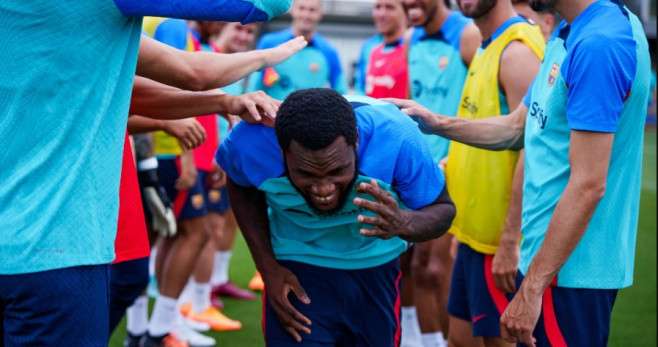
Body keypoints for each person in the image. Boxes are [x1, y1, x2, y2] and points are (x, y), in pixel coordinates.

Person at [0, 1, 294, 345]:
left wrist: (223, 102)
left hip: (32, 243)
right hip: (52, 248)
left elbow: (160, 81)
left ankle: (149, 330)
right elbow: (259, 5)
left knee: (141, 267)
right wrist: (269, 53)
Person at [387, 0, 651, 344]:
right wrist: (437, 123)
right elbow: (518, 128)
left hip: (569, 274)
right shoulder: (569, 30)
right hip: (547, 261)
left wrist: (531, 289)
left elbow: (588, 184)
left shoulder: (600, 44)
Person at [216, 88, 456, 346]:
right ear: (281, 150)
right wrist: (267, 268)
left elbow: (442, 210)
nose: (324, 189)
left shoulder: (396, 135)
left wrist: (402, 222)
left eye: (337, 170)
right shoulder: (251, 141)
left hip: (376, 269)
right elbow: (240, 183)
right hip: (297, 268)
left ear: (356, 141)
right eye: (306, 173)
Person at [440, 0, 544, 344]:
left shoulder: (517, 52)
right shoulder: (481, 42)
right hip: (474, 234)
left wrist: (510, 242)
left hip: (500, 242)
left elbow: (535, 151)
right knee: (458, 339)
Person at [401, 0, 481, 344]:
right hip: (419, 170)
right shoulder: (410, 39)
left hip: (457, 170)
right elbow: (411, 101)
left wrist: (457, 157)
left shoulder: (468, 34)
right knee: (416, 268)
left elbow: (485, 105)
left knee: (439, 270)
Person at [247, 0, 348, 100]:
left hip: (312, 115)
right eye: (301, 8)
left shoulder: (329, 51)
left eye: (312, 10)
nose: (306, 14)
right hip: (274, 115)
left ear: (320, 14)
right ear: (292, 10)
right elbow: (254, 86)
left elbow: (341, 92)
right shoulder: (269, 43)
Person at [364, 0, 409, 98]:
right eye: (377, 7)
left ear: (405, 13)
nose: (381, 14)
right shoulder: (371, 50)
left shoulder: (412, 49)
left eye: (389, 7)